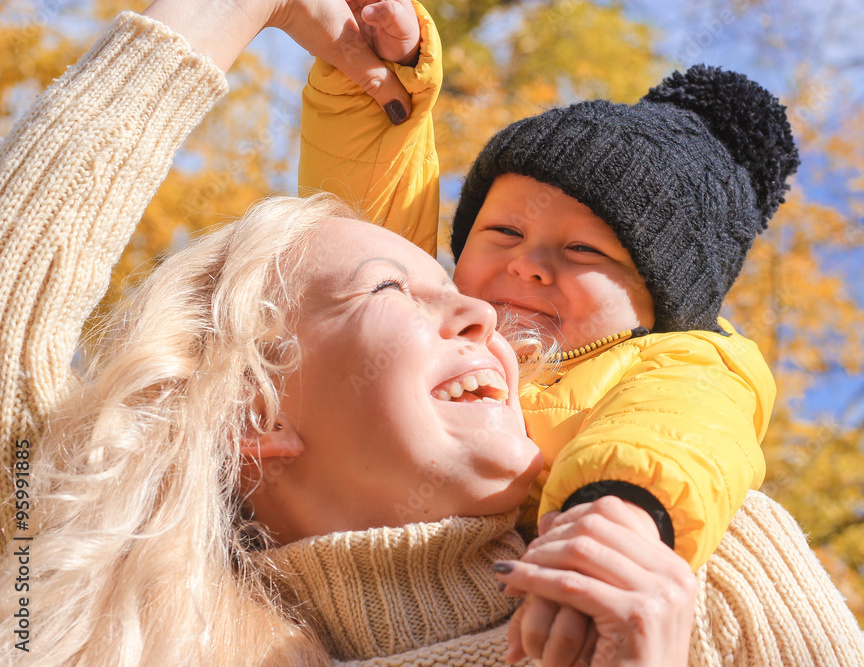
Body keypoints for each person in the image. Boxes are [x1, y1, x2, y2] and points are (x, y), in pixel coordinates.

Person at [0, 0, 698, 664]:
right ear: (257, 409)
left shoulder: (692, 574)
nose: (485, 315)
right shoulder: (120, 610)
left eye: (453, 292)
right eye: (391, 288)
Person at [299, 1, 798, 659]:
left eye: (586, 252)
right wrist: (368, 82)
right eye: (504, 231)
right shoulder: (449, 332)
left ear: (656, 305)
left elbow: (678, 424)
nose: (529, 266)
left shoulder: (679, 360)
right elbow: (364, 244)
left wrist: (620, 508)